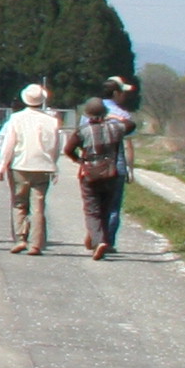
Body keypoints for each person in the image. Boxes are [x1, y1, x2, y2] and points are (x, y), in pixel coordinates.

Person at [0, 83, 68, 255]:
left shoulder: (16, 119)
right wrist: (54, 165)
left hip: (20, 165)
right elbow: (56, 147)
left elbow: (8, 145)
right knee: (38, 206)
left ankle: (20, 238)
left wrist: (1, 166)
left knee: (19, 202)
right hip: (43, 166)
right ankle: (36, 243)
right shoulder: (52, 121)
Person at [78, 86, 139, 257]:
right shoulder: (122, 117)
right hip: (115, 167)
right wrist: (130, 169)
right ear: (115, 93)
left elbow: (78, 141)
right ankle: (107, 241)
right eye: (122, 92)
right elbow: (128, 141)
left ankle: (97, 236)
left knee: (92, 206)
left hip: (91, 167)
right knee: (112, 207)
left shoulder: (87, 116)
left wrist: (80, 162)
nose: (124, 96)